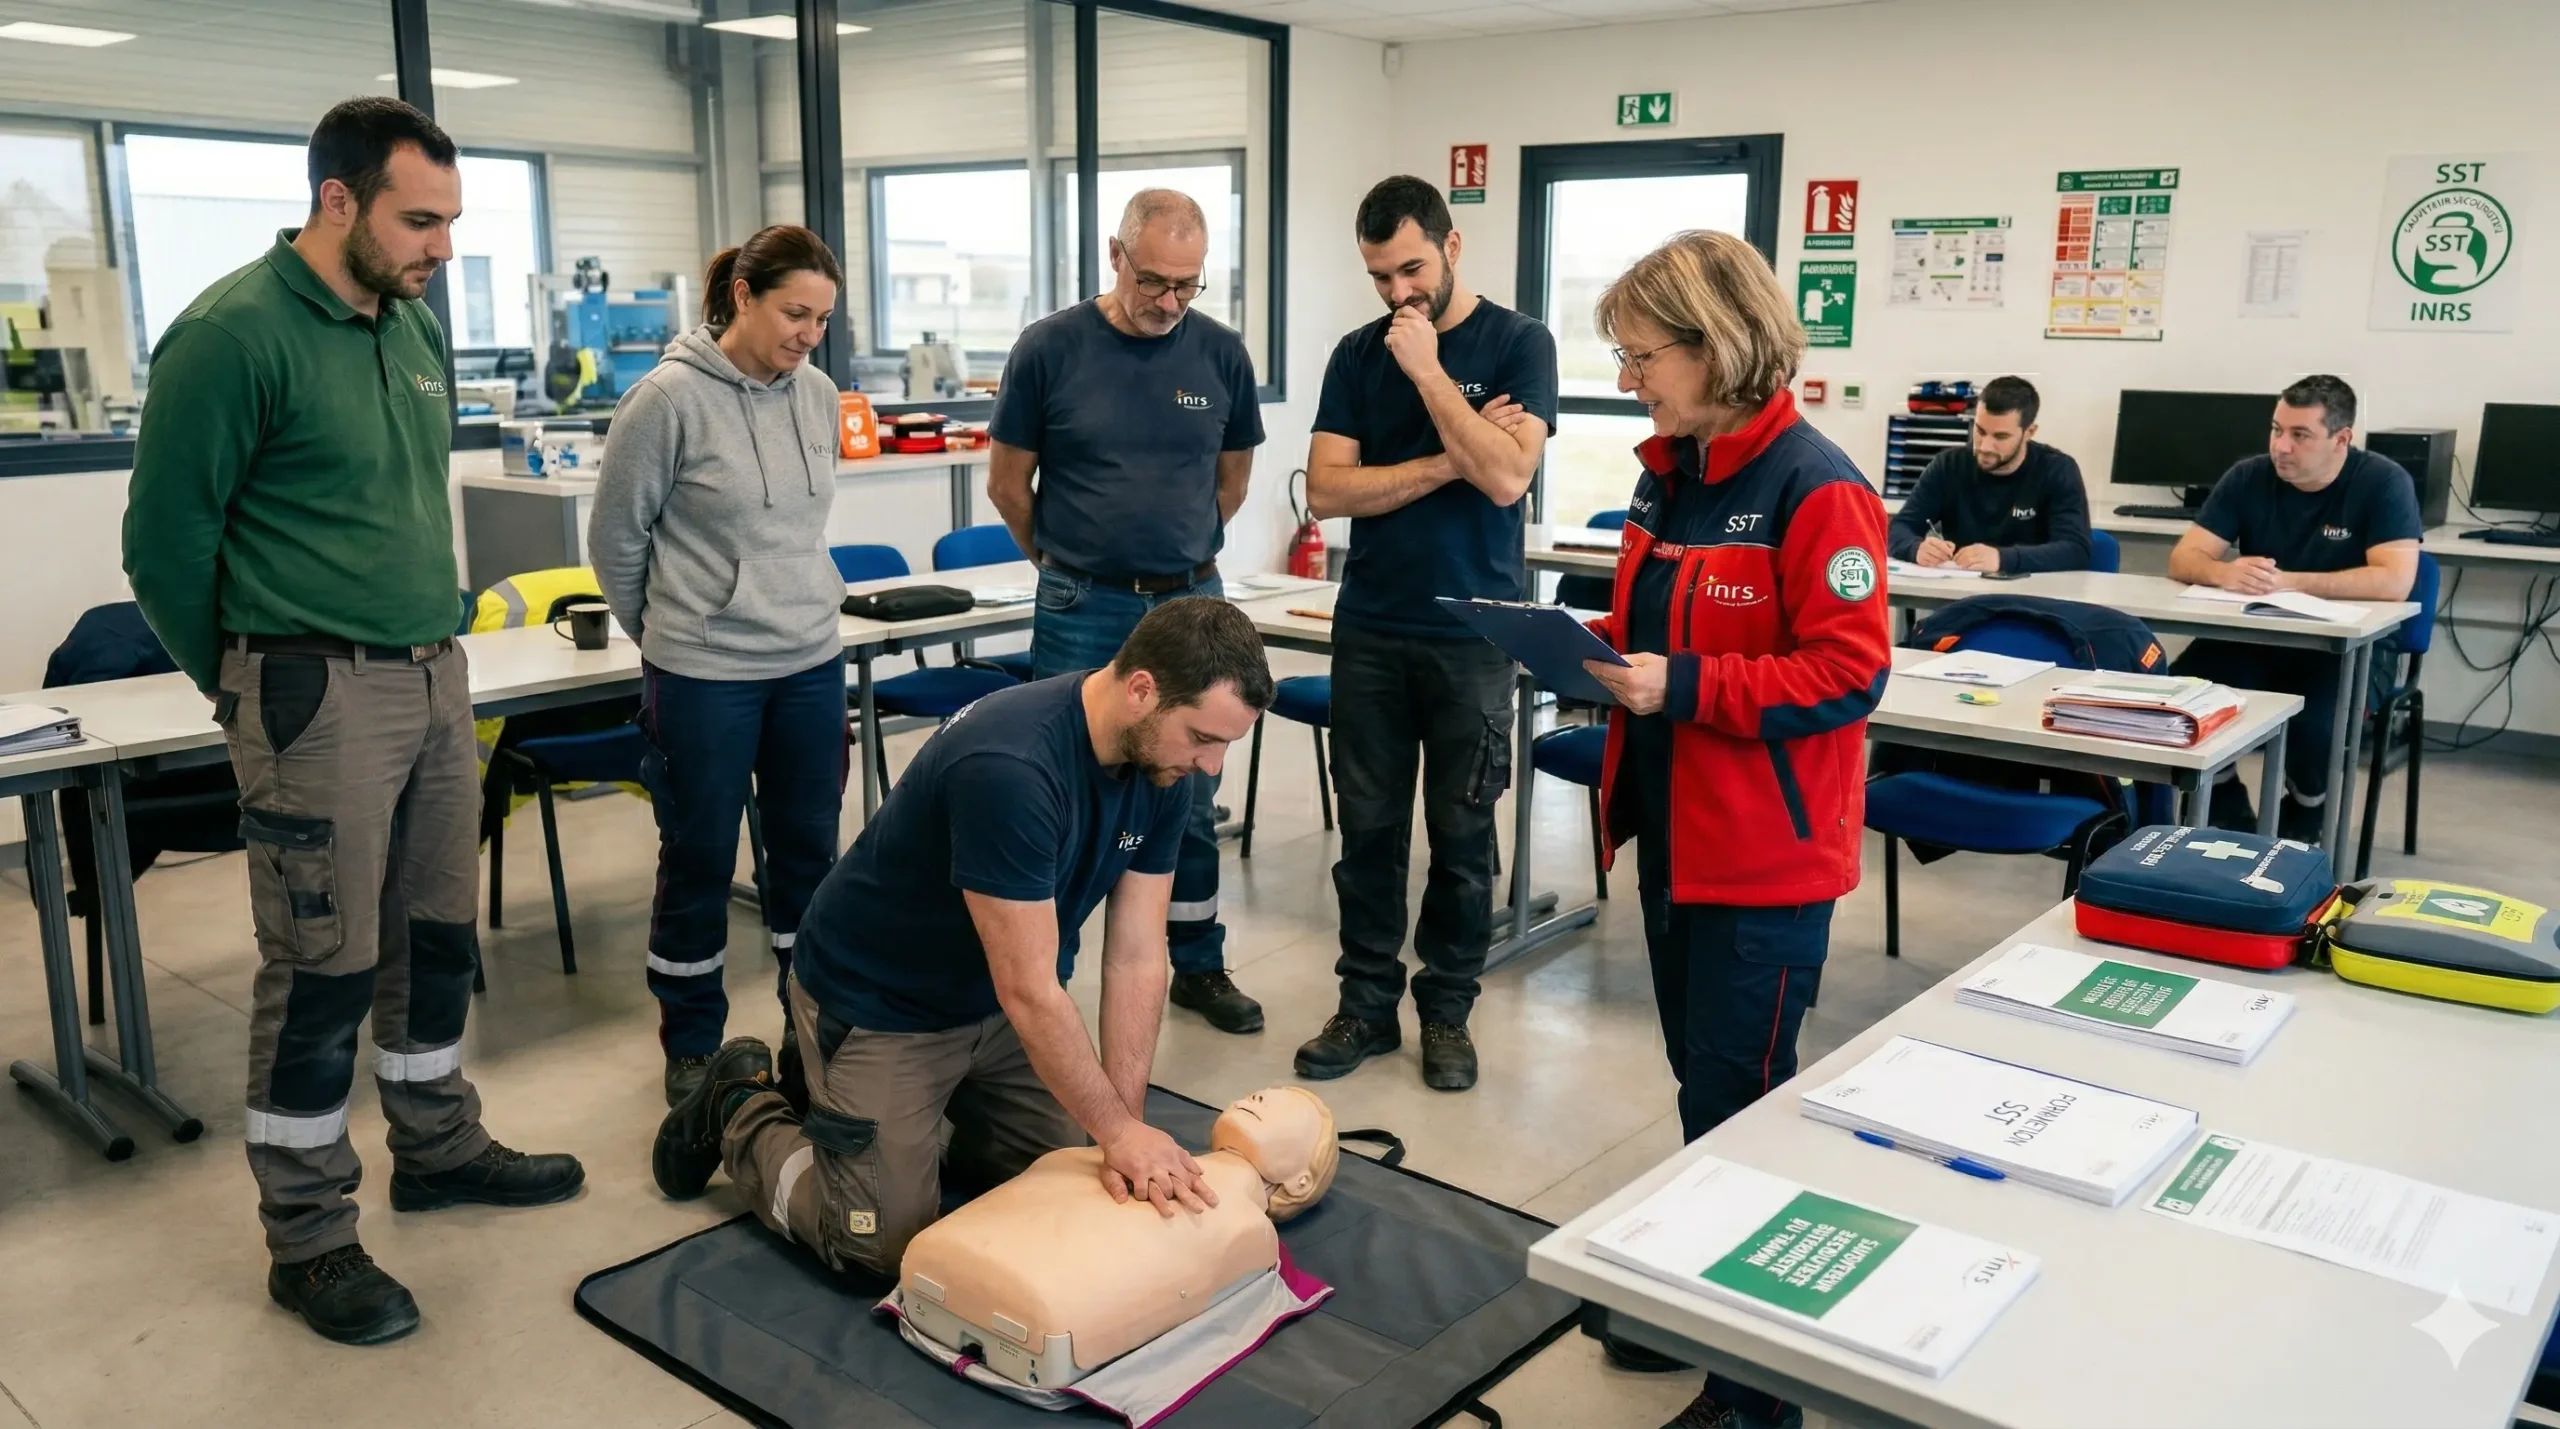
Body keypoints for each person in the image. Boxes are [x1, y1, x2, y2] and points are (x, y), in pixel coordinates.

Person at [121, 97, 583, 1347]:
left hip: (436, 675)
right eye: (419, 220)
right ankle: (312, 1235)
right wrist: (241, 688)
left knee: (434, 939)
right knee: (321, 968)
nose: (442, 247)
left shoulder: (410, 322)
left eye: (450, 221)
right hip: (309, 689)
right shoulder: (230, 335)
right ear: (339, 202)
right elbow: (164, 546)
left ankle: (436, 1145)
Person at [649, 598, 1276, 1286]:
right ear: (1142, 690)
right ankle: (743, 1105)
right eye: (1202, 738)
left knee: (1083, 1178)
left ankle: (898, 1117)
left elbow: (1135, 956)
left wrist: (1122, 1125)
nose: (1212, 766)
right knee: (878, 1246)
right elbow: (1031, 989)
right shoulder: (1013, 766)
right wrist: (1119, 1136)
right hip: (882, 1003)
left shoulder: (1162, 765)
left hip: (996, 1007)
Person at [1576, 229, 1892, 1429]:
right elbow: (1664, 626)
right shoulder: (1676, 474)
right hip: (1676, 835)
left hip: (1764, 856)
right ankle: (1702, 1305)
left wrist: (1686, 686)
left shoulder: (1818, 487)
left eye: (1639, 353)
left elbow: (1849, 673)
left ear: (1716, 344)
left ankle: (1757, 1392)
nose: (1626, 378)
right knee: (1702, 1089)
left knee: (1743, 1103)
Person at [1293, 175, 1555, 1094]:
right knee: (1366, 833)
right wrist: (1454, 450)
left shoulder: (1521, 343)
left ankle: (1446, 1008)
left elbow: (1506, 481)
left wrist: (1429, 375)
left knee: (1462, 833)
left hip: (1473, 635)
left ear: (1453, 244)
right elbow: (1327, 490)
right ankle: (1365, 1004)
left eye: (1411, 268)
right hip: (1371, 625)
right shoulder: (1354, 354)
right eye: (1378, 277)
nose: (1399, 293)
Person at [987, 189, 1267, 1038]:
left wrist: (1177, 557)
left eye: (1188, 286)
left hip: (1189, 597)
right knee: (1068, 783)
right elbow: (1009, 484)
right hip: (1083, 600)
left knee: (1189, 786)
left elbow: (1233, 481)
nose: (1169, 302)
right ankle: (1050, 970)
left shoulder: (1220, 355)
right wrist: (1069, 565)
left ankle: (1199, 961)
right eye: (1153, 281)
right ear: (1116, 256)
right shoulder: (1049, 349)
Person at [586, 225, 850, 1108]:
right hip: (703, 673)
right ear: (743, 295)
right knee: (698, 855)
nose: (809, 333)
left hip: (810, 660)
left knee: (809, 853)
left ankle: (806, 1026)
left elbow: (801, 532)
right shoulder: (665, 401)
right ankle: (693, 1043)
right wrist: (676, 631)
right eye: (793, 312)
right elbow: (617, 543)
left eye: (822, 317)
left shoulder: (816, 394)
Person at [2165, 374, 2420, 843]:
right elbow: (2184, 557)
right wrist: (2225, 572)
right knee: (2177, 700)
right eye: (2276, 429)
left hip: (2350, 652)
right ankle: (2226, 806)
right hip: (2257, 639)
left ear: (2341, 439)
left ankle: (2308, 809)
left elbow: (2394, 580)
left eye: (2300, 435)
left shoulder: (2383, 482)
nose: (2282, 446)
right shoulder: (2248, 475)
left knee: (2314, 727)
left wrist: (2288, 583)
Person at [1885, 375, 2092, 573]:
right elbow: (1899, 527)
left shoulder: (2057, 469)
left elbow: (2075, 550)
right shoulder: (1949, 465)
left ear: (2029, 432)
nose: (1985, 446)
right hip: (1961, 594)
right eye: (1980, 431)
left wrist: (2002, 559)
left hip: (2032, 598)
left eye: (2000, 436)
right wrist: (1915, 548)